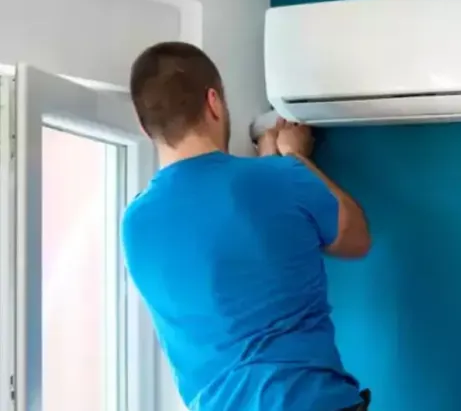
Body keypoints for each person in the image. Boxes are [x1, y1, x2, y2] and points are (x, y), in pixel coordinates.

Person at [121, 41, 372, 411]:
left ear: (144, 126)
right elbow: (356, 238)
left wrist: (275, 164)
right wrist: (295, 157)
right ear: (213, 101)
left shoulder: (134, 225)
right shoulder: (283, 178)